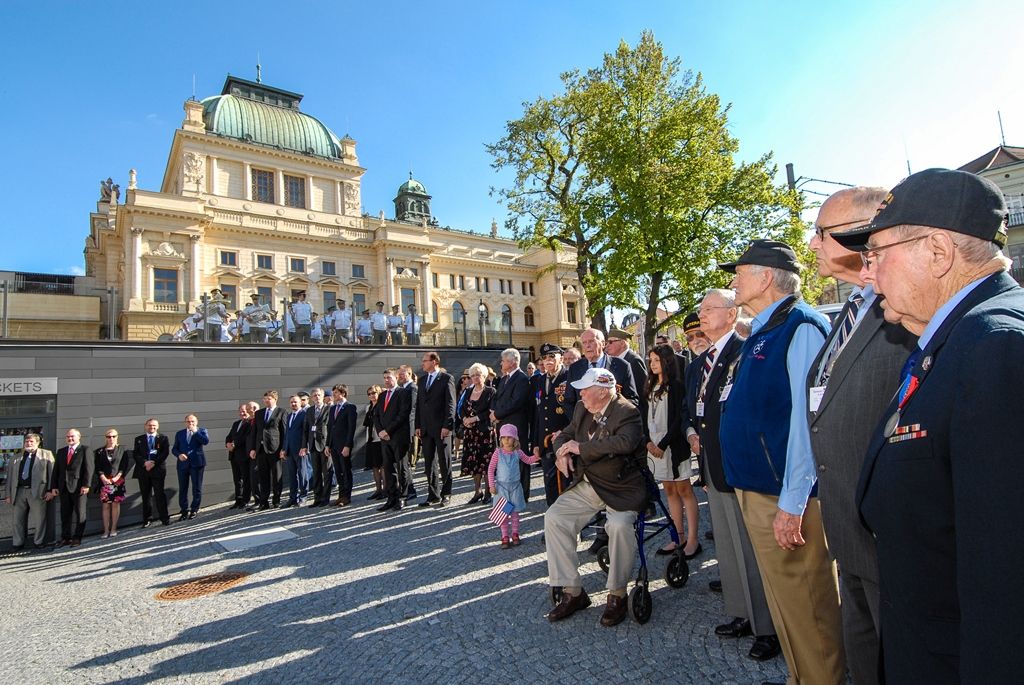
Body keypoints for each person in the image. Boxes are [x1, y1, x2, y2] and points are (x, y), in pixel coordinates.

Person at [831, 168, 1023, 684]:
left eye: (875, 255)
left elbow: (1006, 586)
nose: (866, 275)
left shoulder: (996, 347)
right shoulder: (952, 339)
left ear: (937, 252)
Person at [717, 239, 844, 684]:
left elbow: (810, 422)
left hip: (786, 497)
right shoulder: (766, 329)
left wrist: (793, 500)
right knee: (785, 601)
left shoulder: (800, 326)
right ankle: (801, 675)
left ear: (766, 277)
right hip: (759, 489)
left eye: (741, 271)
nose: (733, 279)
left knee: (808, 605)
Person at [805, 186, 916, 685]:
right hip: (846, 525)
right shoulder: (852, 310)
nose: (812, 244)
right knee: (865, 654)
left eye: (822, 233)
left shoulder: (906, 313)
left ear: (860, 235)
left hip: (889, 532)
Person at [687, 288, 779, 662]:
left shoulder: (743, 350)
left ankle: (768, 626)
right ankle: (742, 613)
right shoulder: (705, 358)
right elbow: (696, 409)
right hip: (713, 462)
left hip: (739, 463)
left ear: (730, 313)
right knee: (727, 544)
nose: (702, 314)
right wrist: (692, 432)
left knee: (750, 547)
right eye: (701, 308)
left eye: (709, 308)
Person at [546, 368, 649, 627]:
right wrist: (562, 454)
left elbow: (624, 443)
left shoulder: (628, 411)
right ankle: (573, 591)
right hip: (591, 483)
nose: (580, 394)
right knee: (555, 517)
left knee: (619, 526)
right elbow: (564, 435)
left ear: (603, 391)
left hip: (622, 487)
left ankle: (617, 594)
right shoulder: (583, 409)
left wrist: (580, 448)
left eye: (585, 389)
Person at [645, 344, 700, 559]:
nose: (653, 364)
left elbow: (679, 419)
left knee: (684, 490)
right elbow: (645, 415)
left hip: (673, 447)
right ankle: (678, 536)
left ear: (667, 361)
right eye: (650, 360)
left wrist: (663, 444)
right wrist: (648, 442)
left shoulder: (676, 386)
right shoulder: (650, 385)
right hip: (655, 447)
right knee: (669, 491)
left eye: (657, 360)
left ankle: (693, 539)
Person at [530, 343, 571, 506]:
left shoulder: (569, 377)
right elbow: (537, 415)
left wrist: (567, 432)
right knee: (550, 484)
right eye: (545, 358)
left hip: (565, 439)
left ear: (561, 357)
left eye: (552, 357)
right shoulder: (539, 380)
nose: (548, 361)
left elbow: (575, 412)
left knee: (567, 484)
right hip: (546, 442)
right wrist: (536, 443)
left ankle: (572, 529)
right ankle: (554, 526)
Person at [491, 348, 534, 503]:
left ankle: (522, 493)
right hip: (503, 425)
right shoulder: (504, 378)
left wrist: (497, 414)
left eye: (503, 360)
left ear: (513, 361)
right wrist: (493, 412)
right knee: (506, 460)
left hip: (516, 426)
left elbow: (516, 402)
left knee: (519, 458)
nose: (501, 363)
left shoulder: (521, 379)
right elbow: (497, 398)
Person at [487, 424, 540, 548]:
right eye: (503, 437)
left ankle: (515, 533)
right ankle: (505, 535)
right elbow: (490, 469)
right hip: (502, 488)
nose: (506, 440)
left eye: (509, 437)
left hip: (515, 487)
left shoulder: (518, 452)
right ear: (500, 439)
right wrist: (491, 485)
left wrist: (537, 456)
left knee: (515, 513)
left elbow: (528, 460)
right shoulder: (498, 453)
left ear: (515, 439)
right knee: (503, 513)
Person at [415, 350, 456, 507]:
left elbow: (450, 404)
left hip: (441, 428)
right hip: (426, 429)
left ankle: (446, 493)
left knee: (444, 462)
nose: (422, 363)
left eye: (425, 360)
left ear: (434, 362)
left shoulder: (446, 378)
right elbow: (419, 404)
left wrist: (448, 425)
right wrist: (418, 425)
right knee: (429, 463)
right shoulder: (422, 380)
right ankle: (433, 494)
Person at [564, 328, 639, 410]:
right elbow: (568, 401)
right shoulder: (575, 368)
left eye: (591, 341)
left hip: (613, 421)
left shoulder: (622, 366)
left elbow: (632, 400)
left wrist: (613, 417)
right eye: (584, 342)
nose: (587, 346)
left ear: (603, 343)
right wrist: (580, 421)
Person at [4, 433, 55, 551]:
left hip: (38, 492)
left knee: (39, 519)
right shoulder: (15, 458)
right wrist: (8, 494)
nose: (28, 443)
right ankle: (18, 543)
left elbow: (52, 474)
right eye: (27, 441)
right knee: (17, 519)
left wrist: (50, 491)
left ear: (37, 443)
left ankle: (38, 541)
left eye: (31, 441)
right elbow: (10, 478)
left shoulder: (46, 455)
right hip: (19, 492)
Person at [373, 368, 413, 511]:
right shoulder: (383, 395)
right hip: (384, 438)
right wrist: (380, 431)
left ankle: (403, 497)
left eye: (389, 377)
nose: (386, 380)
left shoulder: (403, 393)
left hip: (398, 436)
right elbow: (376, 415)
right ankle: (391, 497)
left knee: (401, 468)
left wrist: (388, 430)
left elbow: (403, 414)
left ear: (396, 378)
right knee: (388, 468)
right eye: (384, 378)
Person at [460, 363, 496, 504]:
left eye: (478, 375)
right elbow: (461, 407)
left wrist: (474, 418)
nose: (475, 378)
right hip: (470, 432)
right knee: (474, 462)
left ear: (484, 376)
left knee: (486, 463)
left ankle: (488, 492)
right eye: (472, 375)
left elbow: (490, 410)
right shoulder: (467, 391)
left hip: (485, 432)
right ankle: (477, 492)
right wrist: (464, 419)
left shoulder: (490, 391)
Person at [51, 428, 91, 547]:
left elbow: (89, 469)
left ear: (79, 437)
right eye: (68, 437)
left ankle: (77, 537)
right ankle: (65, 538)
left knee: (80, 514)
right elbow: (56, 471)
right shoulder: (61, 451)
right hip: (63, 488)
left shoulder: (85, 450)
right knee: (65, 514)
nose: (70, 438)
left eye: (72, 436)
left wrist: (86, 484)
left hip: (79, 487)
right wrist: (54, 486)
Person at [249, 390, 285, 511]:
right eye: (265, 399)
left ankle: (276, 500)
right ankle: (263, 502)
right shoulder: (259, 413)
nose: (266, 401)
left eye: (268, 398)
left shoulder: (281, 412)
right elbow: (254, 432)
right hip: (261, 449)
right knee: (263, 476)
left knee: (276, 476)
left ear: (275, 399)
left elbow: (284, 432)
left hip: (275, 449)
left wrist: (283, 449)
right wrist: (253, 448)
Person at [607, 326, 649, 426]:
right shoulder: (615, 361)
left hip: (634, 416)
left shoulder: (633, 360)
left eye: (611, 342)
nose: (607, 345)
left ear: (622, 343)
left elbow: (641, 392)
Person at [92, 429, 131, 538]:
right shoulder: (100, 451)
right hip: (104, 482)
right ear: (105, 438)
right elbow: (97, 466)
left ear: (117, 437)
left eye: (113, 436)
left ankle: (113, 529)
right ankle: (105, 530)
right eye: (109, 437)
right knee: (105, 506)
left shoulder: (122, 449)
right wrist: (103, 477)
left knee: (115, 504)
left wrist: (117, 477)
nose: (111, 439)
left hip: (117, 482)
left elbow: (124, 465)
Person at [133, 419, 171, 526]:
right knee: (146, 496)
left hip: (157, 470)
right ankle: (147, 519)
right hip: (143, 470)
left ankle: (164, 518)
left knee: (160, 494)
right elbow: (136, 454)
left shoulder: (163, 438)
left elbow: (165, 453)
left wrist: (153, 463)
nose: (152, 427)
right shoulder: (139, 439)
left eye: (154, 425)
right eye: (149, 425)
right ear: (145, 426)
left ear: (157, 426)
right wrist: (145, 463)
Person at [171, 414, 209, 520]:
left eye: (192, 421)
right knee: (183, 488)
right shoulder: (180, 433)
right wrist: (179, 455)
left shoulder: (202, 431)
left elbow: (205, 441)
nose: (190, 423)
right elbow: (174, 448)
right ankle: (184, 511)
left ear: (196, 422)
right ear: (185, 422)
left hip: (197, 463)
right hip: (183, 464)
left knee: (196, 488)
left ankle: (194, 509)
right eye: (188, 421)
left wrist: (195, 431)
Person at [326, 384, 357, 506]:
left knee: (345, 470)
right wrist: (327, 445)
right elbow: (330, 428)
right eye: (333, 393)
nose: (334, 396)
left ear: (343, 393)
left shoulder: (350, 407)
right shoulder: (333, 408)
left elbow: (351, 428)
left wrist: (347, 445)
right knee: (338, 471)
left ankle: (346, 497)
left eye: (336, 393)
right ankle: (340, 495)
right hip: (333, 445)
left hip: (344, 445)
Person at [302, 387, 331, 506]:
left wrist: (329, 445)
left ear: (323, 396)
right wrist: (304, 445)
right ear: (312, 398)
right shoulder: (309, 411)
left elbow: (330, 428)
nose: (317, 397)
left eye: (319, 395)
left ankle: (326, 498)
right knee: (316, 473)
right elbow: (306, 429)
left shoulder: (329, 409)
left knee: (327, 472)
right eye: (314, 395)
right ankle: (317, 498)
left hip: (324, 445)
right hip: (313, 445)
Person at [280, 394, 307, 507]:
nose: (293, 404)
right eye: (291, 402)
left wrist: (304, 447)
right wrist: (284, 449)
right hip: (290, 450)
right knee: (292, 475)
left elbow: (305, 432)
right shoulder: (289, 416)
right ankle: (292, 498)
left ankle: (303, 497)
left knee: (302, 474)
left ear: (300, 402)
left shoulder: (304, 414)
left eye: (295, 402)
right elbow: (287, 434)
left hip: (300, 449)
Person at [225, 405, 252, 509]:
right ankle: (238, 499)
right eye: (240, 411)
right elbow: (229, 436)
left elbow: (245, 438)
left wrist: (234, 444)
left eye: (244, 411)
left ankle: (245, 499)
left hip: (244, 455)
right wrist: (227, 443)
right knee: (237, 479)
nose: (242, 413)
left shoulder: (250, 423)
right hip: (234, 455)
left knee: (246, 479)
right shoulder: (236, 423)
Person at [362, 385, 385, 500]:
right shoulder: (369, 407)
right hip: (371, 439)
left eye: (374, 393)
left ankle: (386, 489)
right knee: (375, 466)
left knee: (383, 465)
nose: (371, 395)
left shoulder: (382, 405)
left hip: (382, 439)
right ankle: (378, 489)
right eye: (369, 394)